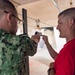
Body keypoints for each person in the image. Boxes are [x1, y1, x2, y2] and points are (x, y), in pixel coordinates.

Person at [0, 0, 40, 75]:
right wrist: (35, 38)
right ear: (9, 17)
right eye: (17, 20)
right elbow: (32, 47)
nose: (17, 25)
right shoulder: (18, 42)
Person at [42, 7, 75, 75]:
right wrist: (47, 43)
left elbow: (65, 57)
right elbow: (59, 58)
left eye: (60, 23)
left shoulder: (68, 50)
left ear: (70, 22)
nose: (57, 27)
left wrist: (51, 69)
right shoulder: (71, 47)